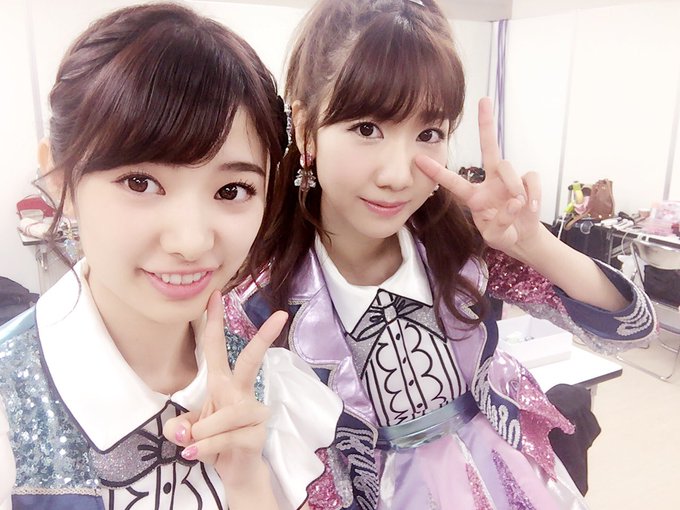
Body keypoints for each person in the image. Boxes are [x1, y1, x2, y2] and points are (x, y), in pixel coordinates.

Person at [225, 1, 656, 509]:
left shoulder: (459, 244)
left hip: (508, 472)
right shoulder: (261, 303)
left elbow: (631, 327)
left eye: (428, 134)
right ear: (304, 128)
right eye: (366, 128)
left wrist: (535, 244)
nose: (397, 175)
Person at [0, 4, 342, 510]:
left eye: (231, 189)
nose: (192, 241)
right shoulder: (10, 405)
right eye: (140, 182)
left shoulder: (271, 387)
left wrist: (248, 482)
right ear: (60, 179)